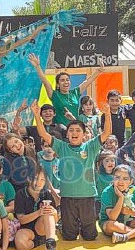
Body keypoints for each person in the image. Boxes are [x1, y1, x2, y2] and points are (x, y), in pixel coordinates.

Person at [31, 99, 112, 241]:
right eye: (71, 130)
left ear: (84, 133)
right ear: (67, 134)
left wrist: (108, 114)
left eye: (78, 130)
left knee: (90, 236)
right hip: (67, 197)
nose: (74, 133)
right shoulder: (61, 147)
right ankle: (63, 227)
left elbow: (107, 132)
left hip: (87, 197)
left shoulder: (90, 147)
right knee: (69, 236)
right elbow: (43, 134)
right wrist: (37, 116)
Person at [28, 53, 104, 125]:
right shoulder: (55, 95)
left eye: (67, 80)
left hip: (74, 127)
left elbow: (88, 81)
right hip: (59, 129)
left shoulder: (75, 93)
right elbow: (44, 81)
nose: (66, 82)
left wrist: (99, 70)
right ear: (58, 84)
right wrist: (37, 66)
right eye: (62, 80)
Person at [14, 167, 59, 250]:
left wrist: (53, 212)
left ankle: (51, 248)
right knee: (21, 246)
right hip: (27, 229)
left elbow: (55, 218)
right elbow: (22, 220)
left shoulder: (46, 193)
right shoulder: (21, 194)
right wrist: (39, 212)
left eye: (42, 179)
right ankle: (39, 242)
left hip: (41, 227)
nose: (38, 182)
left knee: (48, 212)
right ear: (29, 179)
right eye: (35, 178)